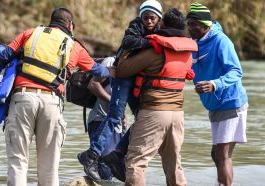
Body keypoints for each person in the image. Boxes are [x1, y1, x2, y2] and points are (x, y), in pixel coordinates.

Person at [0, 7, 111, 185]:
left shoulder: (30, 34)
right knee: (49, 167)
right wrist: (115, 70)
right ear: (70, 25)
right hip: (51, 102)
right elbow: (98, 70)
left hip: (22, 99)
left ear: (51, 21)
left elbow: (4, 56)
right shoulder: (74, 46)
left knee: (18, 162)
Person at [77, 0, 163, 181]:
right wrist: (150, 42)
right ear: (141, 17)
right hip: (122, 77)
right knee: (115, 117)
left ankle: (118, 154)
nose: (148, 21)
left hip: (137, 80)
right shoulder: (135, 27)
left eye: (152, 18)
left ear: (159, 19)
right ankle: (92, 155)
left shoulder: (159, 32)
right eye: (145, 17)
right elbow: (129, 41)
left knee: (143, 118)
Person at [116, 8, 198, 185]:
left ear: (163, 24)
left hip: (153, 112)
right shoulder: (187, 52)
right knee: (174, 165)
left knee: (136, 162)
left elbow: (122, 71)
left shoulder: (156, 50)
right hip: (177, 115)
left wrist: (126, 50)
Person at [186, 3, 249, 186]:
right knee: (217, 154)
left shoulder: (221, 41)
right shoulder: (194, 43)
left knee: (222, 155)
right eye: (188, 24)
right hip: (214, 104)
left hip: (231, 102)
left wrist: (214, 84)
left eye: (193, 24)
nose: (190, 28)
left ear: (205, 25)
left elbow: (236, 71)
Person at [83, 57, 127, 181]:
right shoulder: (111, 62)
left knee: (120, 167)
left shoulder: (131, 67)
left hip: (117, 123)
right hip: (99, 119)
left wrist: (122, 114)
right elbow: (93, 84)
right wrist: (115, 104)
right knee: (104, 168)